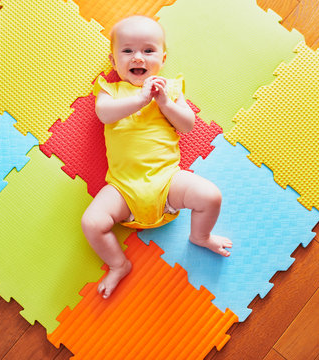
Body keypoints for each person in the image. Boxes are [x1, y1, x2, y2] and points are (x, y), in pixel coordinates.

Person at [82, 15, 232, 299]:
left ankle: (200, 236)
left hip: (167, 181)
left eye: (148, 51)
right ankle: (118, 264)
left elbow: (187, 125)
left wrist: (164, 103)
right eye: (127, 51)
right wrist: (140, 99)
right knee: (91, 223)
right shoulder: (110, 90)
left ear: (162, 58)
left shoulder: (171, 89)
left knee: (210, 196)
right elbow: (104, 114)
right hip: (122, 188)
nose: (138, 57)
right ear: (114, 61)